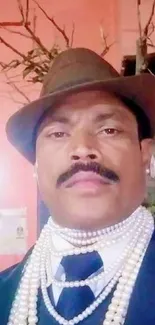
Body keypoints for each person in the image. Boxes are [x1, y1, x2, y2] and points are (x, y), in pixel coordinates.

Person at [0, 47, 155, 325]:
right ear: (36, 165)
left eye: (109, 130)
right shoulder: (4, 294)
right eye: (58, 133)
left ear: (144, 153)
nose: (83, 149)